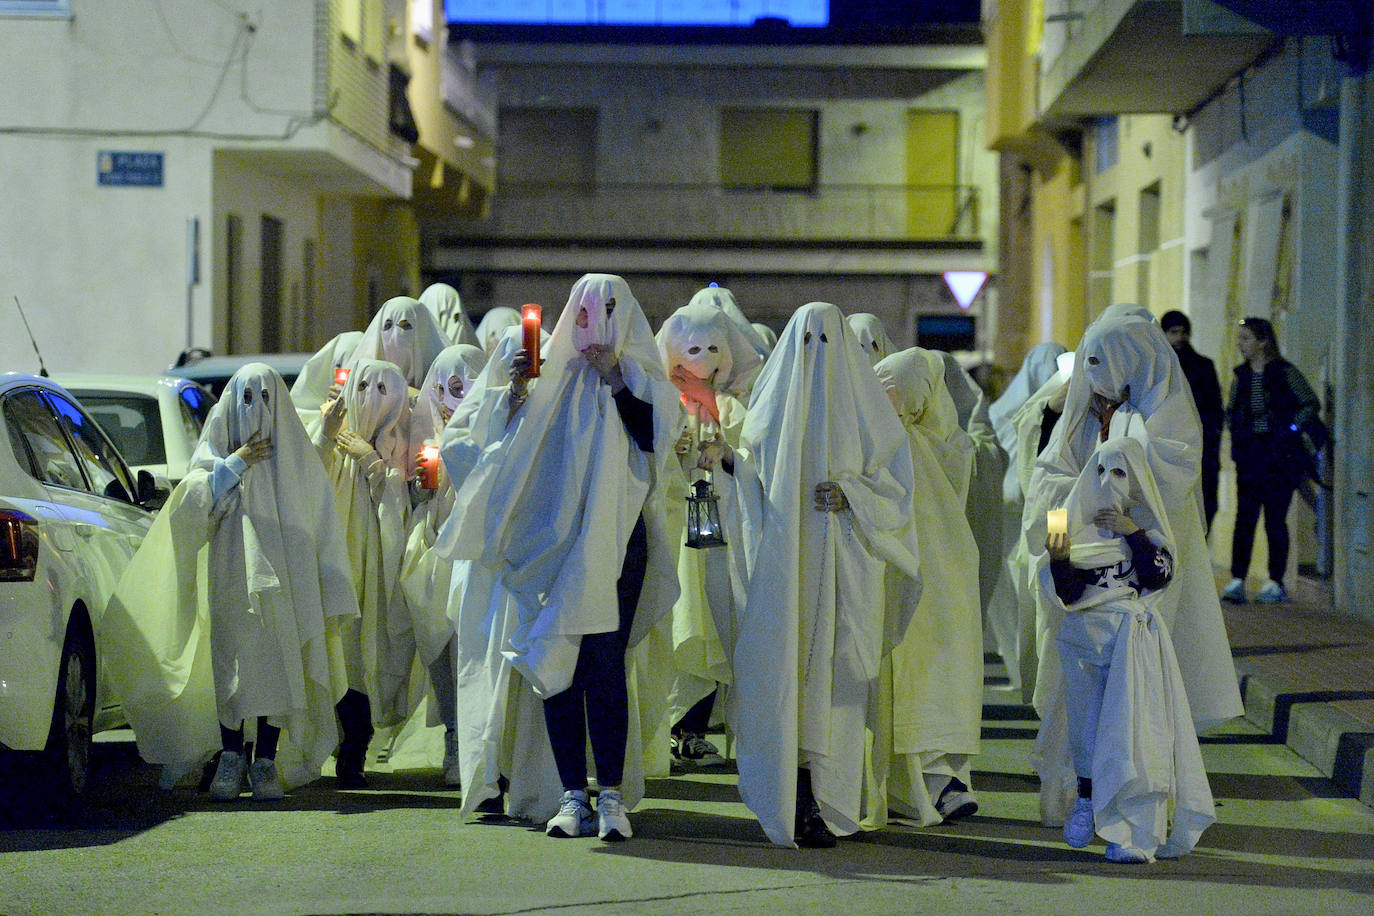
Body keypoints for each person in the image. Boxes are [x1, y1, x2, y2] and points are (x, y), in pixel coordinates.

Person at [443, 273, 682, 841]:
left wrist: (617, 381)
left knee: (604, 667)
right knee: (558, 664)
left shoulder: (645, 380)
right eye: (582, 311)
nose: (590, 323)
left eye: (604, 310)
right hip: (553, 544)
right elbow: (490, 447)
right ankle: (573, 792)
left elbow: (654, 441)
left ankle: (613, 798)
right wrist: (516, 392)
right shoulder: (544, 374)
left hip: (618, 545)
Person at [704, 301, 921, 848]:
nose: (816, 357)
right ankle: (793, 799)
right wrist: (730, 465)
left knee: (836, 690)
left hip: (844, 571)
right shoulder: (772, 414)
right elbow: (755, 482)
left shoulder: (871, 419)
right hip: (785, 575)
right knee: (787, 682)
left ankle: (830, 803)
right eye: (807, 342)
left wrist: (853, 496)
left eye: (827, 342)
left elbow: (897, 495)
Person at [1023, 310, 1242, 828]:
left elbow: (1159, 492)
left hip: (1140, 579)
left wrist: (1119, 492)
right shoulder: (1087, 409)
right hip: (1078, 581)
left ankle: (1136, 811)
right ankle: (1076, 796)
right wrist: (1059, 554)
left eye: (1104, 364)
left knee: (1139, 691)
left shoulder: (1169, 420)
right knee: (1075, 693)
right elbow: (1052, 490)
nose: (1095, 380)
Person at [102, 364, 358, 798]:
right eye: (246, 399)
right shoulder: (215, 458)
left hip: (282, 580)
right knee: (231, 665)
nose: (256, 411)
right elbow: (192, 503)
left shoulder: (292, 460)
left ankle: (265, 761)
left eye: (265, 399)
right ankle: (231, 754)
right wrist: (233, 464)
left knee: (278, 662)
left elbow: (313, 498)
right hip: (231, 580)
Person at [1042, 437, 1214, 863]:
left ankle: (1136, 829)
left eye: (1119, 472)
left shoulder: (1150, 526)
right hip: (1083, 641)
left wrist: (1133, 534)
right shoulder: (1065, 521)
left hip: (1132, 643)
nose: (1108, 482)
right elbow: (1067, 593)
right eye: (1100, 471)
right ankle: (1086, 800)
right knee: (1086, 727)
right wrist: (1060, 559)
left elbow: (1159, 577)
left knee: (1135, 732)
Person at [867, 347, 982, 826]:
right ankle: (923, 786)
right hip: (910, 579)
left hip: (939, 580)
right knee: (912, 678)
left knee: (933, 678)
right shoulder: (892, 439)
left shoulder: (943, 441)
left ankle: (940, 783)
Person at [655, 288, 766, 768]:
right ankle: (671, 724)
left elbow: (749, 456)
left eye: (712, 349)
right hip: (675, 524)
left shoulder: (735, 408)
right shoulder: (664, 402)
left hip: (724, 527)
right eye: (692, 349)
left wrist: (725, 452)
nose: (702, 360)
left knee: (714, 619)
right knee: (678, 616)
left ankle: (699, 724)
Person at [315, 357, 418, 787]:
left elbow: (403, 502)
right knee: (334, 643)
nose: (370, 401)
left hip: (376, 562)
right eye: (362, 389)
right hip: (336, 555)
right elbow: (308, 476)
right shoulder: (334, 434)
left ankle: (357, 741)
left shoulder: (401, 442)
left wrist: (374, 462)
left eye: (382, 391)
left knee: (363, 649)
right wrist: (327, 434)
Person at [399, 344, 489, 787]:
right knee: (442, 648)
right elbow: (412, 498)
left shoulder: (492, 425)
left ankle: (483, 743)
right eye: (452, 389)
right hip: (437, 549)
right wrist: (421, 485)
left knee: (475, 646)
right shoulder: (423, 430)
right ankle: (455, 735)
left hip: (479, 549)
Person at [1222, 317, 1325, 604]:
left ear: (1263, 342)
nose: (1241, 344)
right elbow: (1231, 410)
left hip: (1279, 455)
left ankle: (1275, 581)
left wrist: (1290, 428)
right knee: (1245, 518)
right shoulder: (1241, 376)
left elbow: (1310, 403)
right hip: (1250, 455)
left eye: (1246, 338)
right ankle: (1237, 580)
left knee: (1275, 519)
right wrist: (1238, 433)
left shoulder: (1285, 372)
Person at [1160, 311, 1223, 534]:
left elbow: (1215, 408)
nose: (1180, 337)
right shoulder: (1159, 367)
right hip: (1167, 446)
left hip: (1201, 447)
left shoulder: (1203, 366)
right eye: (1173, 332)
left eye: (1184, 332)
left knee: (1205, 503)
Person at [290, 330, 364, 432]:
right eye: (340, 365)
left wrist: (353, 408)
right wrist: (328, 410)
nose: (345, 372)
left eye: (354, 368)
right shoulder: (297, 412)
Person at [418, 282, 480, 347]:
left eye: (457, 316)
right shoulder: (414, 348)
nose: (457, 323)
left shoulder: (472, 351)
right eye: (445, 315)